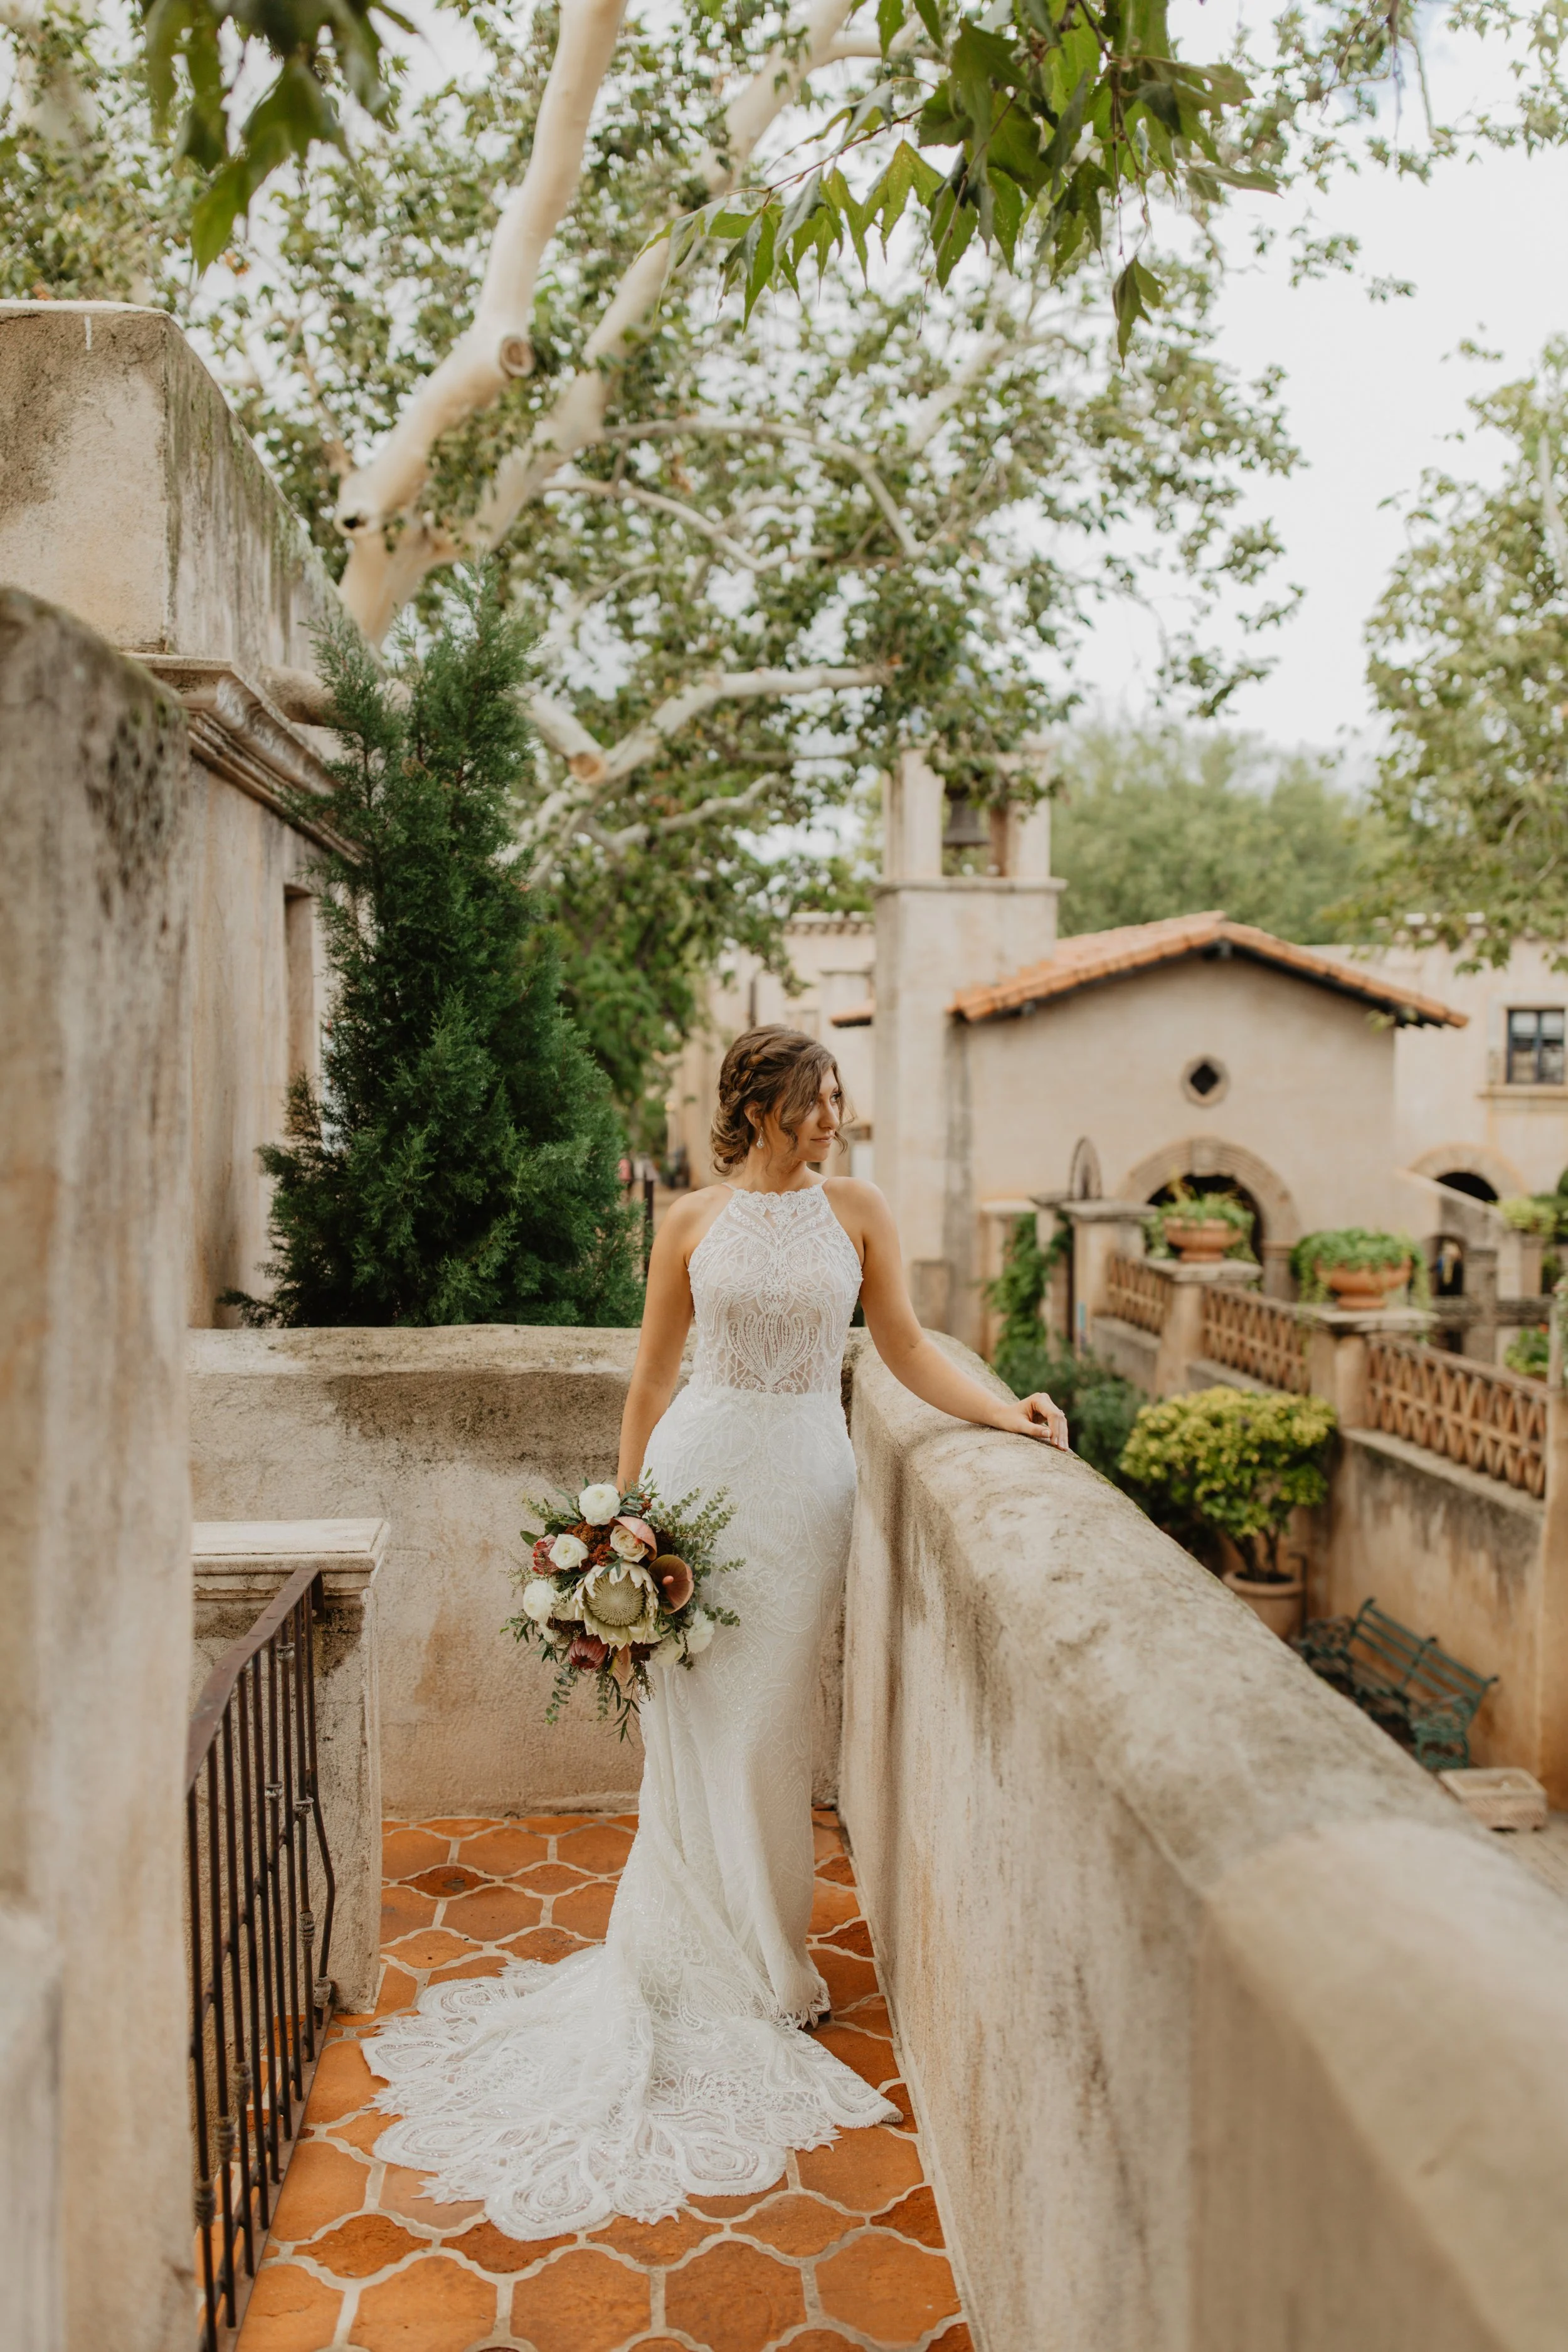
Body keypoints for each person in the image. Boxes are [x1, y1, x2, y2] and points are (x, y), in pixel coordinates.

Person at [368, 1026, 1069, 2237]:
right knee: (687, 1724)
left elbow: (901, 1348)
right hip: (696, 1475)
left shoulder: (861, 1210)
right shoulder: (688, 1222)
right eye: (812, 1100)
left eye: (839, 1096)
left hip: (802, 1484)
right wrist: (618, 1524)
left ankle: (763, 1950)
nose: (832, 1117)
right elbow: (650, 1379)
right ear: (758, 1106)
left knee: (764, 1725)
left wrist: (1009, 1413)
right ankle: (698, 1948)